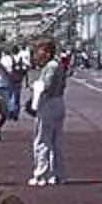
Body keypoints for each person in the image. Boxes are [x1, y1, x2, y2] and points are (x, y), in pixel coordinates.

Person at [27, 40, 68, 187]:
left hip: (48, 104)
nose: (37, 54)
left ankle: (40, 174)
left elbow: (45, 85)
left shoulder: (50, 67)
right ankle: (57, 174)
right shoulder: (59, 65)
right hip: (59, 102)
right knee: (56, 142)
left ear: (47, 52)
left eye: (39, 51)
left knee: (42, 140)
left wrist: (34, 88)